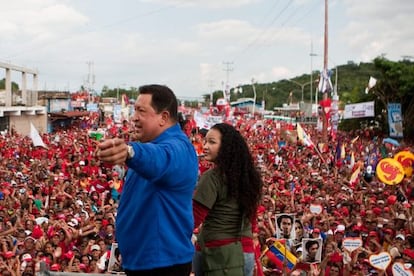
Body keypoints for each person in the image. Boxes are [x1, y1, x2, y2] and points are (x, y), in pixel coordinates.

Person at [96, 84, 199, 275]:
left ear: (164, 117)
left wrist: (129, 151)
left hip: (162, 265)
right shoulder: (152, 144)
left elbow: (159, 158)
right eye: (134, 110)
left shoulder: (178, 149)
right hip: (146, 262)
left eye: (141, 111)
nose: (133, 117)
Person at [192, 123, 263, 276]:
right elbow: (252, 219)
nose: (204, 146)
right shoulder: (250, 177)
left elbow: (194, 219)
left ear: (227, 147)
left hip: (217, 256)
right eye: (205, 141)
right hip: (246, 254)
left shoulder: (212, 178)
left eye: (212, 142)